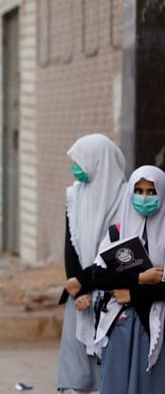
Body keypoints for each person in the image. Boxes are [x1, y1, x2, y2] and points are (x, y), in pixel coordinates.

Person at [55, 134, 127, 394]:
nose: (76, 169)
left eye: (79, 162)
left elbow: (121, 252)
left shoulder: (126, 199)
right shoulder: (75, 196)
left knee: (109, 366)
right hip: (80, 296)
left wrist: (86, 281)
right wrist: (80, 289)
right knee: (75, 373)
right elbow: (70, 247)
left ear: (98, 162)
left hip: (113, 293)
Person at [92, 165, 165, 393]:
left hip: (157, 325)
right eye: (139, 191)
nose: (144, 198)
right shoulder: (117, 233)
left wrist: (132, 292)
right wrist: (141, 278)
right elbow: (98, 275)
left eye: (151, 192)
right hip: (121, 324)